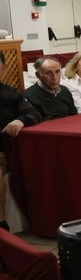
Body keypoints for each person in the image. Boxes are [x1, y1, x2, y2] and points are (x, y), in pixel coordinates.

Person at [0, 52, 41, 231]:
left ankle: (2, 226)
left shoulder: (11, 93)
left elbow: (33, 113)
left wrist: (20, 120)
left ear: (4, 67)